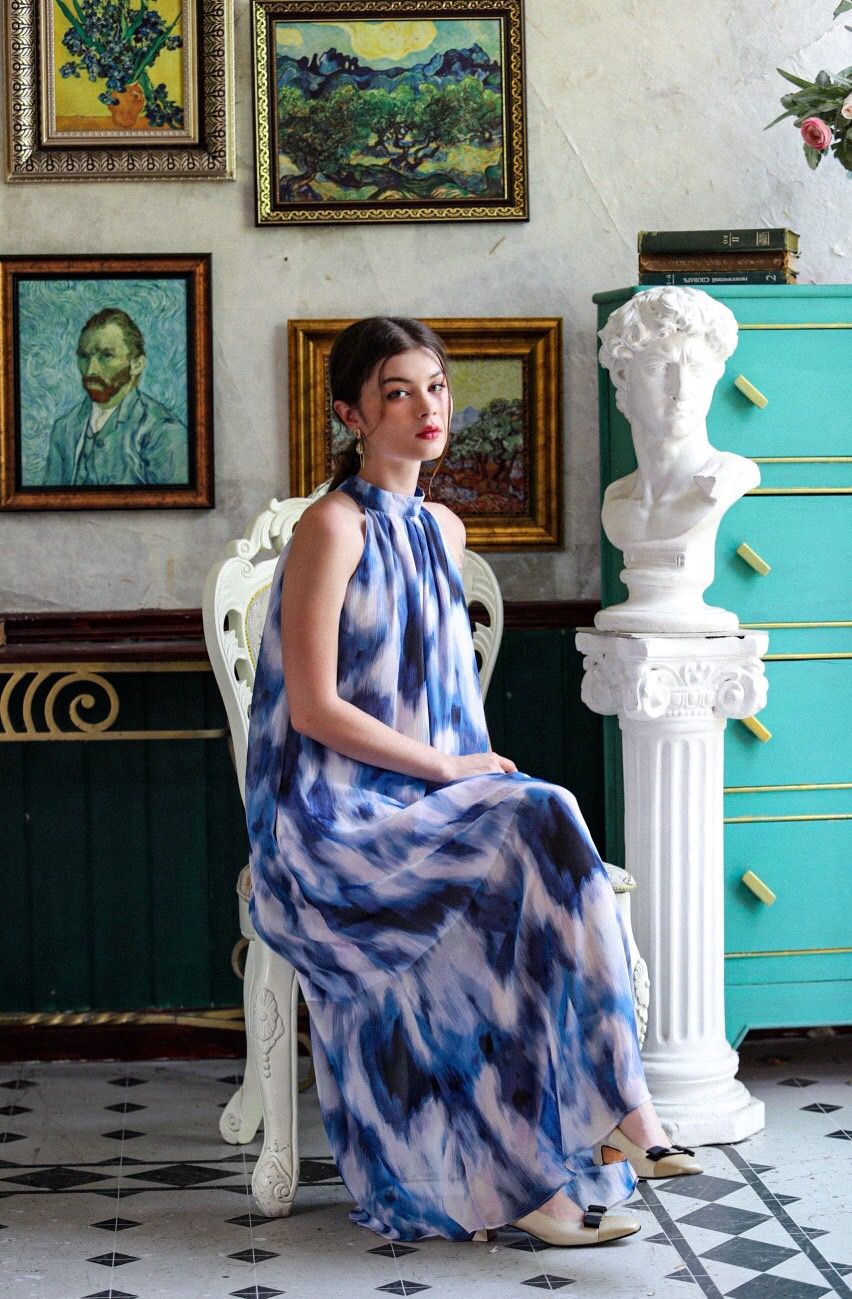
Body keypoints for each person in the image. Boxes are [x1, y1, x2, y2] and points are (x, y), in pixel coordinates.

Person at [244, 316, 702, 1249]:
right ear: (351, 415)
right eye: (397, 391)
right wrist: (454, 774)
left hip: (426, 803)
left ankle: (548, 1167)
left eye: (437, 387)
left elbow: (444, 696)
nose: (427, 407)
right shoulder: (333, 526)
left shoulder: (444, 529)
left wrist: (463, 786)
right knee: (544, 811)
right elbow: (315, 710)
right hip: (332, 820)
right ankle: (614, 1117)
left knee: (533, 852)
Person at [42, 307, 189, 487]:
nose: (91, 370)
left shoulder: (163, 432)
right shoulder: (64, 429)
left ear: (137, 364)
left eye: (107, 356)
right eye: (84, 356)